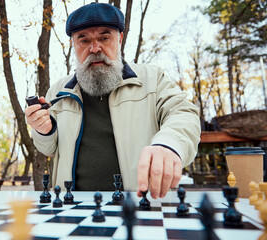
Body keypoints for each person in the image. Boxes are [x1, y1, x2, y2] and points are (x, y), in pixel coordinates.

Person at [25, 3, 201, 199]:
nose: (94, 48)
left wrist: (169, 144)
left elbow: (183, 113)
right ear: (73, 44)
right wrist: (43, 130)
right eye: (84, 40)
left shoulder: (152, 78)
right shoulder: (59, 91)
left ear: (120, 39)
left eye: (104, 37)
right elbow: (48, 148)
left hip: (141, 207)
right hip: (70, 208)